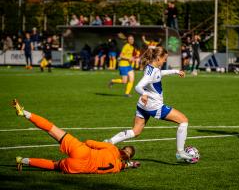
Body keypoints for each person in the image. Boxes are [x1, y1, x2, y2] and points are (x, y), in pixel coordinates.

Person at [105, 46, 198, 163]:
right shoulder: (151, 72)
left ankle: (109, 142)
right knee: (183, 120)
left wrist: (175, 71)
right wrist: (144, 93)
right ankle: (180, 152)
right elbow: (138, 86)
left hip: (142, 105)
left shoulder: (151, 68)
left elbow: (159, 74)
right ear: (158, 58)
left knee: (136, 131)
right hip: (154, 106)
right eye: (164, 59)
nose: (165, 61)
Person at [12, 99, 140, 173]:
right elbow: (124, 165)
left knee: (52, 129)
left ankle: (24, 113)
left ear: (122, 148)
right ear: (126, 158)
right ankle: (22, 160)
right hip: (80, 167)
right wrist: (132, 164)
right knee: (54, 165)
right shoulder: (117, 167)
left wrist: (84, 146)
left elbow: (89, 142)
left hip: (82, 151)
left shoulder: (112, 148)